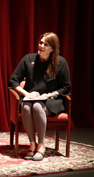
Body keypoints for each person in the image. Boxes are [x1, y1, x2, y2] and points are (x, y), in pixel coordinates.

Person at [8, 32, 71, 161]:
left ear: (53, 48)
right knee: (26, 107)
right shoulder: (28, 59)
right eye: (40, 42)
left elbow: (66, 87)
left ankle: (41, 145)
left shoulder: (61, 62)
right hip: (30, 99)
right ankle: (32, 144)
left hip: (52, 100)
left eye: (45, 44)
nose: (41, 46)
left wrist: (49, 95)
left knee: (37, 106)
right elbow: (13, 81)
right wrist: (27, 94)